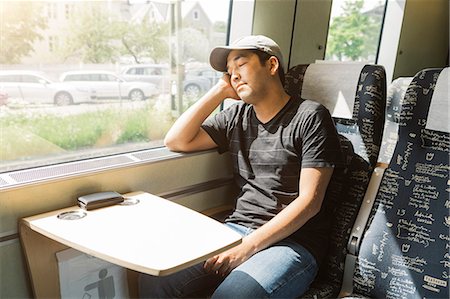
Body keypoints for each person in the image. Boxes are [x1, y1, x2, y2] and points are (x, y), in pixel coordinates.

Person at [139, 35, 343, 298]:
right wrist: (219, 91)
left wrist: (248, 247)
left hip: (293, 242)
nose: (234, 76)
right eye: (229, 72)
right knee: (156, 278)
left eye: (241, 65)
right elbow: (177, 140)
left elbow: (310, 201)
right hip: (236, 229)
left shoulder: (310, 116)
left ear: (271, 66)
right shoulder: (236, 116)